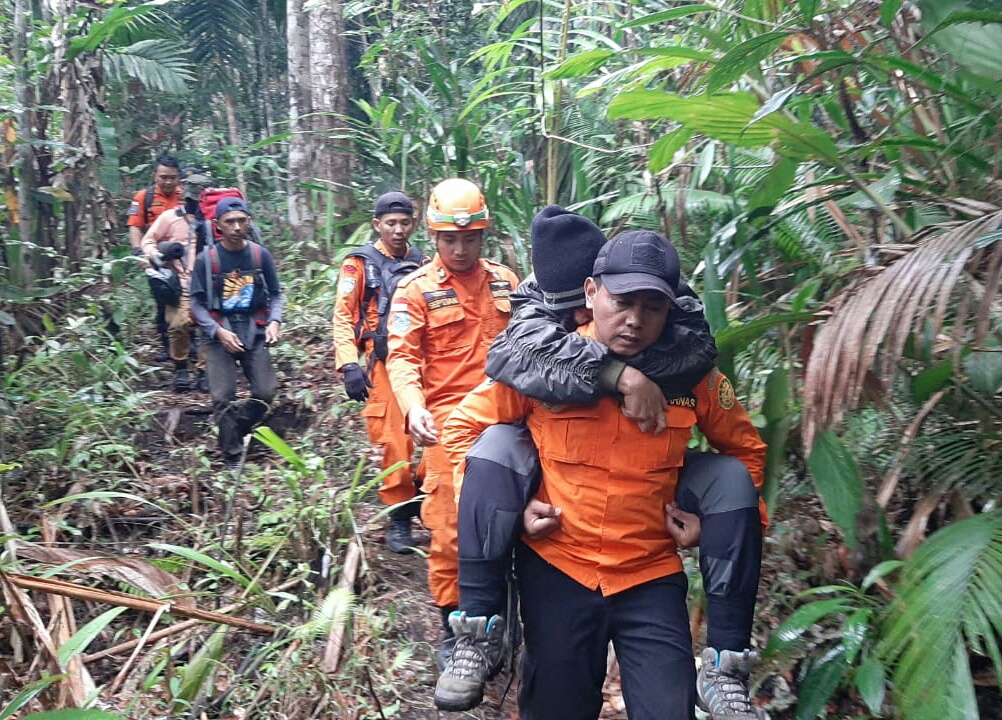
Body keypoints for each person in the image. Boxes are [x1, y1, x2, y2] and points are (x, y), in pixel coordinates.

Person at [435, 208, 768, 718]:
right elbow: (462, 430)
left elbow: (746, 452)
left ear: (670, 309)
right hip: (558, 562)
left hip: (648, 571)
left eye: (652, 307)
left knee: (668, 710)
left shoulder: (691, 375)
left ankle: (726, 669)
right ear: (591, 293)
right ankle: (476, 634)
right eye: (622, 302)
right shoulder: (545, 362)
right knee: (556, 708)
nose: (635, 320)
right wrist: (511, 513)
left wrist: (710, 527)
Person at [385, 178, 519, 665]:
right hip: (448, 422)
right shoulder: (415, 290)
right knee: (450, 526)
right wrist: (413, 406)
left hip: (509, 417)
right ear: (434, 237)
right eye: (449, 240)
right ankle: (455, 626)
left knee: (522, 518)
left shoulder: (506, 281)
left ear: (483, 235)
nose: (460, 249)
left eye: (470, 239)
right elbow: (402, 357)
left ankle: (509, 615)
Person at [332, 191, 427, 553]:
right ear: (377, 224)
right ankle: (399, 516)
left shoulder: (424, 261)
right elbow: (343, 314)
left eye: (404, 223)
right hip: (382, 363)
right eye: (391, 224)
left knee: (441, 433)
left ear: (413, 224)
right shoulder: (359, 264)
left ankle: (425, 495)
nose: (398, 230)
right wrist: (349, 364)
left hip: (424, 360)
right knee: (393, 442)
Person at [189, 197, 285, 469]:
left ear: (249, 222)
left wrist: (274, 321)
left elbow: (276, 293)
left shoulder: (259, 255)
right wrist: (217, 331)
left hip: (254, 329)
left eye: (242, 220)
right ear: (218, 225)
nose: (237, 227)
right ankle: (232, 457)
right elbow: (195, 302)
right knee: (222, 397)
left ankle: (237, 426)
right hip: (219, 333)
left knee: (265, 393)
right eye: (229, 222)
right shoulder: (206, 260)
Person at [141, 173, 214, 393]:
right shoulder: (170, 217)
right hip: (180, 280)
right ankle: (181, 366)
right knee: (178, 324)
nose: (194, 204)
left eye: (198, 200)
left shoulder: (214, 221)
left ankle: (204, 370)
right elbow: (148, 240)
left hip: (209, 281)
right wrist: (157, 256)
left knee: (208, 327)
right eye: (191, 199)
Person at [128, 155, 183, 362]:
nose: (168, 182)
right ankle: (167, 346)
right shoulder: (144, 197)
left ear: (179, 177)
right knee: (163, 301)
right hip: (156, 257)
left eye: (172, 178)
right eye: (163, 177)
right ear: (155, 175)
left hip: (184, 259)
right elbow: (135, 225)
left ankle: (189, 344)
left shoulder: (185, 195)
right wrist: (138, 252)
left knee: (188, 300)